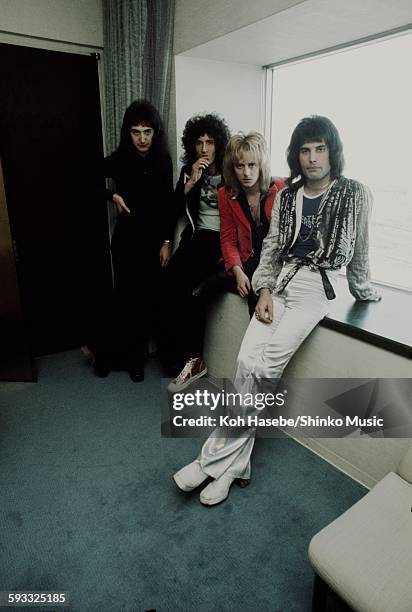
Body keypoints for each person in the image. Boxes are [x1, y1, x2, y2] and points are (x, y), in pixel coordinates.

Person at [173, 115, 381, 505]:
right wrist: (264, 288)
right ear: (296, 155)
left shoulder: (355, 193)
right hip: (280, 284)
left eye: (320, 148)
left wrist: (365, 291)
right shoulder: (288, 195)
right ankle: (233, 466)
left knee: (266, 367)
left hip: (316, 289)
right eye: (305, 150)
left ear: (332, 151)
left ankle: (211, 462)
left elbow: (361, 255)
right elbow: (270, 251)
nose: (313, 158)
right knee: (246, 360)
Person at [91, 99, 174, 381]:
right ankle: (107, 357)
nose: (142, 138)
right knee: (124, 303)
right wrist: (110, 195)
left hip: (152, 243)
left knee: (148, 302)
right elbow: (85, 179)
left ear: (155, 132)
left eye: (147, 132)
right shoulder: (118, 159)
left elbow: (166, 204)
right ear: (128, 132)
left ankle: (137, 362)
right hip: (126, 240)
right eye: (136, 131)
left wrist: (165, 242)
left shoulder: (163, 159)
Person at [163, 113, 230, 388]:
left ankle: (194, 359)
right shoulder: (189, 171)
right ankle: (176, 358)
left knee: (192, 292)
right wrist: (189, 184)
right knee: (168, 284)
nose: (204, 148)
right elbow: (173, 210)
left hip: (220, 240)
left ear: (219, 144)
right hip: (196, 236)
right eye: (199, 142)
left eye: (210, 142)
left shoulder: (230, 172)